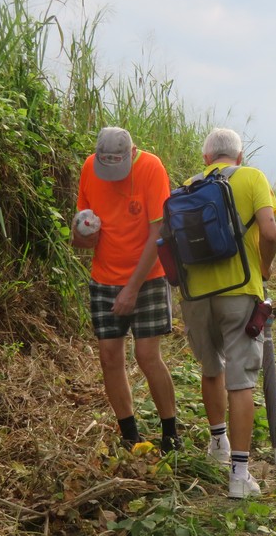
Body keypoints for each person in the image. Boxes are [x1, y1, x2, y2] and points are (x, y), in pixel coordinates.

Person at [178, 127, 276, 499]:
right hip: (239, 290)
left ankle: (217, 444)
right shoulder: (252, 177)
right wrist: (264, 269)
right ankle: (239, 475)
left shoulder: (188, 186)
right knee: (241, 381)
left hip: (195, 294)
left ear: (206, 158)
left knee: (211, 368)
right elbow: (270, 232)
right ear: (239, 156)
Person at [72, 126, 182, 454]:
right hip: (104, 278)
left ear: (131, 153)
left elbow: (158, 233)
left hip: (148, 277)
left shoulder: (151, 168)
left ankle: (170, 432)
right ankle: (130, 434)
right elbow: (79, 232)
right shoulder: (89, 168)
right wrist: (82, 236)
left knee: (146, 355)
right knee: (109, 357)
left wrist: (131, 288)